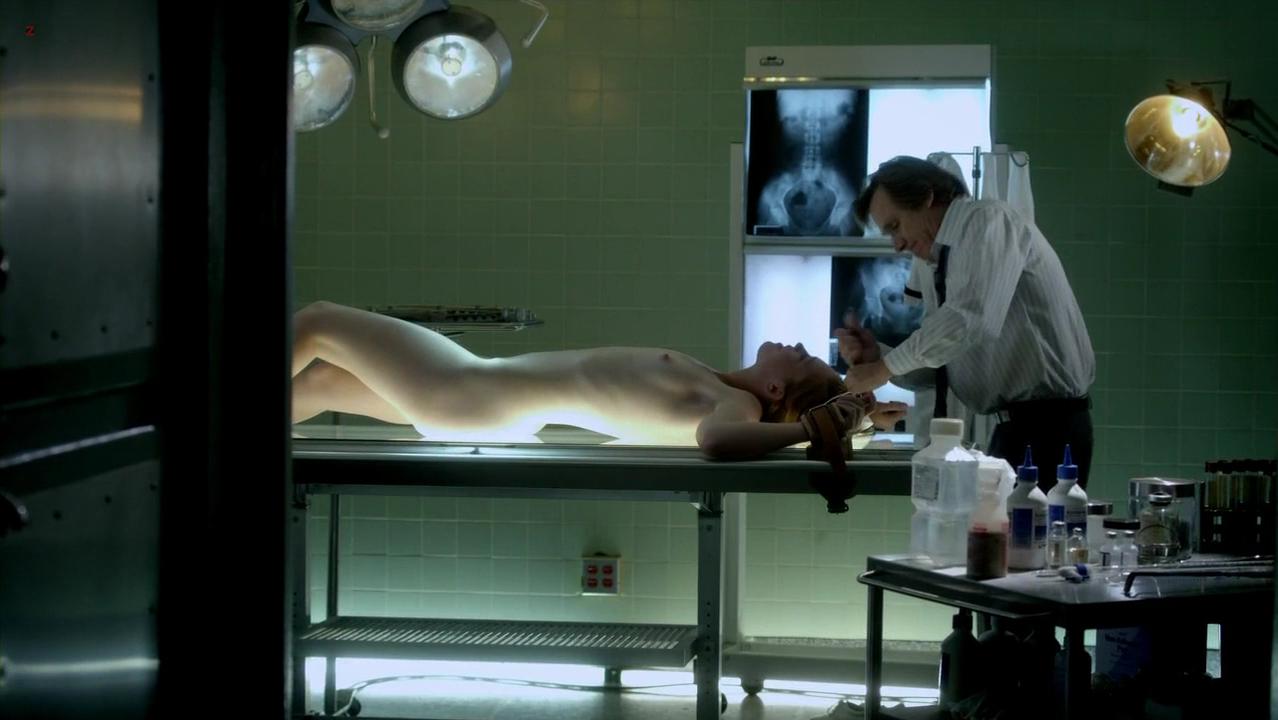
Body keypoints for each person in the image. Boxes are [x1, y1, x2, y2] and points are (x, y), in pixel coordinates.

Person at [292, 302, 909, 460]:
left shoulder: (731, 406)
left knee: (318, 322)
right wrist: (862, 417)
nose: (798, 347)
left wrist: (813, 427)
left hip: (465, 390)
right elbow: (829, 426)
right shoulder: (719, 384)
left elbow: (719, 443)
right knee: (321, 382)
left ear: (775, 392)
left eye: (801, 360)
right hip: (479, 400)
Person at [837, 156, 1095, 491]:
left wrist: (883, 368)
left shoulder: (988, 221)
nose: (897, 245)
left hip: (1048, 428)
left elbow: (969, 320)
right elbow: (945, 365)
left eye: (896, 226)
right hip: (1015, 428)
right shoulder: (947, 260)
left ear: (926, 196)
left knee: (1029, 527)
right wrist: (878, 357)